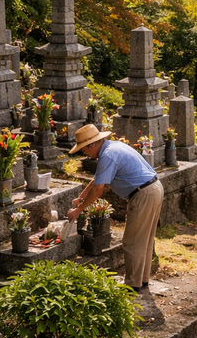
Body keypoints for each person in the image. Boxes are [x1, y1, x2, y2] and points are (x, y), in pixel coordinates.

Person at [66, 124, 162, 292]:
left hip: (143, 194)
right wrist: (81, 198)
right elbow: (98, 179)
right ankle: (142, 280)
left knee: (132, 242)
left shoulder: (107, 156)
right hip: (153, 188)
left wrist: (79, 210)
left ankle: (133, 285)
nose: (84, 154)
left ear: (92, 145)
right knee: (143, 239)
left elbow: (98, 190)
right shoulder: (112, 147)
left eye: (83, 150)